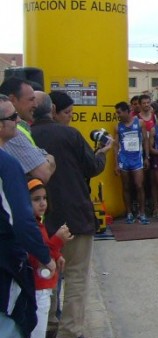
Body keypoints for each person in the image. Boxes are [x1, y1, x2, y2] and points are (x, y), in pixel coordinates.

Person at [31, 92, 110, 338]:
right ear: (53, 110)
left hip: (41, 218)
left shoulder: (24, 136)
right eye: (67, 113)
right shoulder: (70, 135)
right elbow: (92, 167)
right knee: (76, 276)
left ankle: (49, 324)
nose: (70, 118)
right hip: (75, 214)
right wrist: (103, 152)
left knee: (47, 271)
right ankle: (70, 330)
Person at [0, 96, 55, 338]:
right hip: (6, 264)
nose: (18, 121)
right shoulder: (7, 163)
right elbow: (21, 219)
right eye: (13, 118)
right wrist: (45, 256)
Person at [26, 179, 71, 338]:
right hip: (38, 287)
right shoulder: (31, 226)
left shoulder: (38, 223)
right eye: (36, 199)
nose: (42, 203)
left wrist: (57, 253)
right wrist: (58, 240)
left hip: (45, 285)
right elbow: (40, 255)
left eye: (44, 198)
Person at [0, 78, 55, 183]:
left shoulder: (17, 129)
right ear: (12, 100)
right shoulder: (13, 134)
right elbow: (43, 173)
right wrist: (48, 158)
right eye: (31, 99)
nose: (36, 105)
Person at [114, 102, 150, 224]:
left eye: (119, 112)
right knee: (126, 187)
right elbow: (115, 146)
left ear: (126, 111)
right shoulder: (118, 126)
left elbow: (145, 140)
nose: (117, 115)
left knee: (139, 186)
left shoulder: (139, 123)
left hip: (137, 159)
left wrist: (147, 157)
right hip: (124, 159)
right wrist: (116, 164)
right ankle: (129, 213)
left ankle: (142, 213)